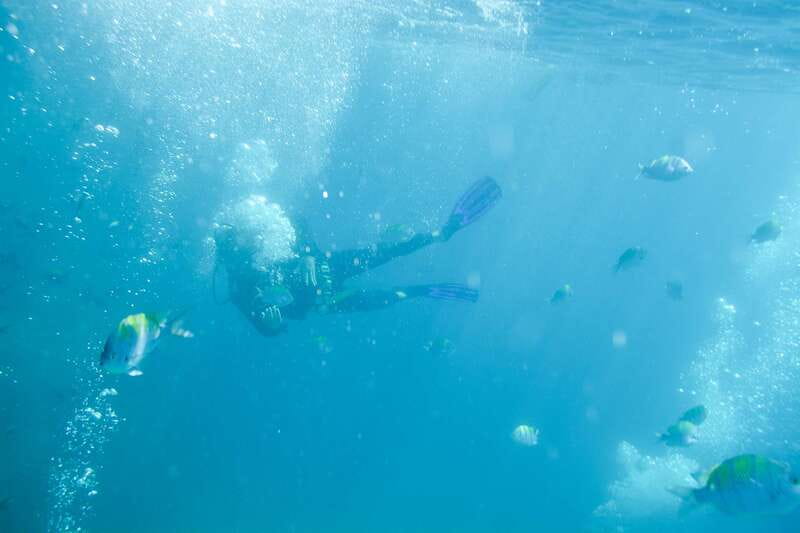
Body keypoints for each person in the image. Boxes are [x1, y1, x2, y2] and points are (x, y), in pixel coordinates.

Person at [214, 177, 502, 336]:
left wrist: (308, 255)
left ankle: (442, 233)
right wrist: (273, 326)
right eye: (230, 248)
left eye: (236, 241)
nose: (238, 248)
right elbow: (262, 325)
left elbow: (297, 222)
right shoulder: (238, 286)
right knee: (375, 298)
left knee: (383, 252)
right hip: (322, 302)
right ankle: (419, 291)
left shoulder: (262, 228)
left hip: (326, 267)